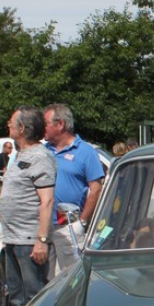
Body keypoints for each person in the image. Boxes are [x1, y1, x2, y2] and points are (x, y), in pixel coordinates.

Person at [0, 107, 55, 306]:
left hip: (29, 241)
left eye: (12, 121)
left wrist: (41, 241)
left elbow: (47, 201)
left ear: (22, 128)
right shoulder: (19, 155)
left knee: (34, 297)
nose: (8, 124)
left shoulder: (40, 157)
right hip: (13, 238)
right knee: (16, 295)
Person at [43, 103, 106, 273]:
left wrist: (82, 222)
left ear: (60, 124)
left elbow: (96, 189)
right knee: (44, 281)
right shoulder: (43, 151)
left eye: (46, 123)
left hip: (69, 226)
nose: (42, 127)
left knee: (71, 277)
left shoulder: (86, 152)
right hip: (44, 226)